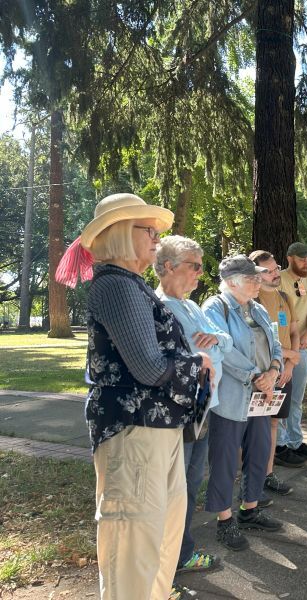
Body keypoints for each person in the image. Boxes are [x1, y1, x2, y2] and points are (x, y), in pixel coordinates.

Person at [55, 193, 213, 600]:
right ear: (124, 234)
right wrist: (197, 364)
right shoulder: (117, 287)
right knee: (135, 548)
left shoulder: (132, 286)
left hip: (155, 430)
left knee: (159, 541)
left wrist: (190, 362)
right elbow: (148, 367)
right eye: (150, 231)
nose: (157, 240)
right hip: (135, 433)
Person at [155, 236, 232, 576]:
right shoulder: (158, 308)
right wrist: (207, 353)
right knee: (174, 487)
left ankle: (180, 553)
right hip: (179, 412)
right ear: (168, 266)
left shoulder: (192, 306)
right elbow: (180, 361)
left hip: (204, 408)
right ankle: (166, 560)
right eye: (195, 266)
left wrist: (214, 341)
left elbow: (223, 344)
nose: (201, 273)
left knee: (190, 484)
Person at [201, 256, 284, 552]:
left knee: (259, 450)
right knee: (224, 457)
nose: (259, 282)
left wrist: (273, 370)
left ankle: (250, 509)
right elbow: (221, 348)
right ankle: (225, 521)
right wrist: (255, 376)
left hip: (263, 393)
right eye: (252, 278)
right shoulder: (215, 307)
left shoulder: (258, 308)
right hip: (232, 395)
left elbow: (274, 343)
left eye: (258, 277)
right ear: (232, 281)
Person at [250, 249, 303, 491]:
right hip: (262, 374)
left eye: (275, 268)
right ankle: (250, 478)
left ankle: (268, 474)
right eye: (269, 271)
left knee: (273, 424)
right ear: (255, 275)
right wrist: (289, 355)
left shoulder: (284, 296)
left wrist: (290, 364)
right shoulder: (251, 301)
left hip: (284, 372)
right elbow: (258, 342)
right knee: (253, 427)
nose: (275, 274)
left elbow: (293, 332)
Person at [276, 242, 307, 464]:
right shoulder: (279, 278)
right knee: (282, 396)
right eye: (302, 259)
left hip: (302, 347)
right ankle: (280, 445)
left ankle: (295, 441)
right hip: (283, 347)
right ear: (290, 258)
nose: (306, 262)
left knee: (296, 398)